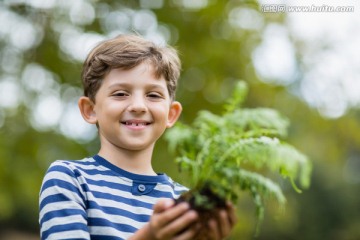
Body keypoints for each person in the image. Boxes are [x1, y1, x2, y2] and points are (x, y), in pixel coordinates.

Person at [39, 34, 237, 240]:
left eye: (153, 95)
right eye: (120, 93)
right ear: (90, 109)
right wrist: (150, 236)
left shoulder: (182, 203)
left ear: (171, 114)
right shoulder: (70, 179)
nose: (138, 106)